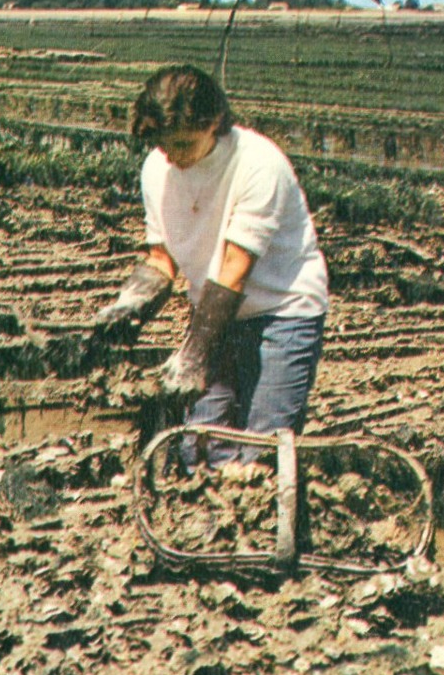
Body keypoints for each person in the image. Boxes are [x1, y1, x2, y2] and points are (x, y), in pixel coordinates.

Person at [95, 65, 328, 464]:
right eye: (165, 146)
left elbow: (234, 267)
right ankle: (207, 518)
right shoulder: (157, 168)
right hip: (215, 310)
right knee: (198, 443)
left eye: (184, 144)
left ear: (214, 122)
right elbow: (161, 259)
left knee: (263, 448)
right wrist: (129, 305)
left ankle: (265, 519)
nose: (174, 157)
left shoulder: (258, 164)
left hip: (282, 311)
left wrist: (194, 355)